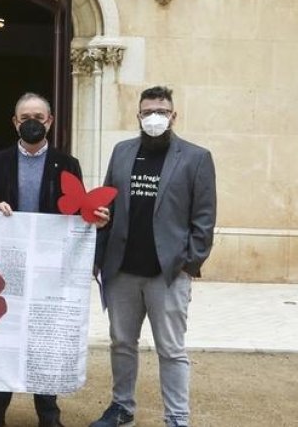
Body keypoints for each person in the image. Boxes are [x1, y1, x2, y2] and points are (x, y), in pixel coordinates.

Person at [0, 92, 107, 427]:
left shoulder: (68, 164)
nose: (31, 122)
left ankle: (48, 414)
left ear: (49, 121)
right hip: (6, 267)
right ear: (15, 123)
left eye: (38, 116)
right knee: (3, 334)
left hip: (50, 269)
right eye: (24, 117)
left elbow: (78, 213)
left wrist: (96, 218)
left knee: (44, 338)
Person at [89, 86, 217, 427]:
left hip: (168, 273)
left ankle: (177, 418)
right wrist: (99, 254)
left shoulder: (195, 157)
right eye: (148, 112)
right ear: (138, 116)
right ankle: (122, 408)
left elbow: (204, 218)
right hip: (123, 271)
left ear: (173, 115)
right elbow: (109, 206)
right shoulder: (122, 152)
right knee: (121, 344)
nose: (154, 117)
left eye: (161, 111)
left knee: (172, 350)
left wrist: (189, 264)